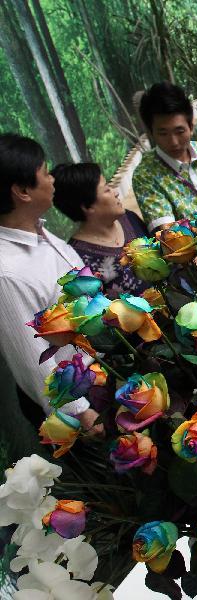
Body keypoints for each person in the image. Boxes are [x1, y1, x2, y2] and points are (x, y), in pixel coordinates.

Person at [0, 134, 99, 448]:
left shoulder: (41, 233)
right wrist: (82, 414)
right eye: (44, 172)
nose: (52, 178)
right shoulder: (7, 272)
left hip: (98, 375)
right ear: (22, 191)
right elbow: (33, 361)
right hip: (80, 407)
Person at [133, 82, 197, 232]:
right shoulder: (145, 175)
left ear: (191, 126)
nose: (174, 142)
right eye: (163, 133)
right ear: (151, 132)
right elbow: (167, 233)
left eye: (180, 131)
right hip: (194, 253)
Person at [51, 163, 149, 298]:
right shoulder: (78, 259)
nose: (115, 192)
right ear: (87, 206)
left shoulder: (129, 217)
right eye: (106, 190)